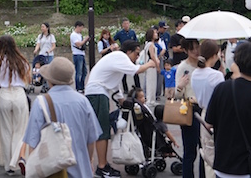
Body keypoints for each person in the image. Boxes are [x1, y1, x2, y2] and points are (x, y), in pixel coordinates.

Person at [205, 42, 251, 178]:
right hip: (249, 168)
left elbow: (208, 123)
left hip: (222, 165)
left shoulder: (221, 88)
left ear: (237, 62)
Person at [84, 39, 158, 178]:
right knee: (102, 130)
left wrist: (121, 100)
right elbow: (135, 70)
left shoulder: (116, 58)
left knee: (98, 129)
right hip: (98, 93)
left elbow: (115, 84)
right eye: (136, 54)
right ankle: (102, 167)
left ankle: (99, 165)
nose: (137, 57)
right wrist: (150, 63)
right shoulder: (120, 56)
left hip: (97, 92)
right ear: (128, 51)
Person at [21, 57, 101, 178]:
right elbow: (91, 140)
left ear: (49, 80)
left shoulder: (41, 102)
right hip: (81, 170)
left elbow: (33, 142)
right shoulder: (83, 101)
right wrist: (89, 161)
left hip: (52, 170)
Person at [0, 35, 30, 176]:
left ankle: (8, 166)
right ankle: (18, 160)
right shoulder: (22, 60)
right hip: (19, 94)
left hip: (4, 95)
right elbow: (27, 79)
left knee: (5, 131)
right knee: (20, 130)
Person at [190, 39, 224, 178]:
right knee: (219, 153)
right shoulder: (216, 75)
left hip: (203, 113)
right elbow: (222, 98)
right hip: (218, 116)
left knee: (207, 153)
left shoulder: (195, 73)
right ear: (215, 55)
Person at [174, 38, 203, 178]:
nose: (196, 51)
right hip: (189, 109)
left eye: (197, 47)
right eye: (192, 49)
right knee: (190, 151)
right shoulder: (182, 67)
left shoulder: (203, 63)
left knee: (205, 150)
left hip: (204, 108)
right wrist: (180, 86)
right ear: (185, 50)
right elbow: (177, 94)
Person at [141, 27, 161, 104]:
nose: (156, 34)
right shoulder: (150, 44)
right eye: (155, 33)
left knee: (152, 82)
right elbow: (152, 56)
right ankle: (150, 100)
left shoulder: (150, 44)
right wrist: (157, 65)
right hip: (151, 65)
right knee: (151, 82)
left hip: (151, 65)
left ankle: (152, 99)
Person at [70, 21, 90, 92]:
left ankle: (82, 86)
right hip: (77, 54)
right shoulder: (73, 35)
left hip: (82, 54)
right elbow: (78, 44)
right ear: (77, 27)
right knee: (79, 72)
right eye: (81, 28)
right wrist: (85, 39)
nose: (81, 30)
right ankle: (78, 87)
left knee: (84, 71)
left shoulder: (79, 35)